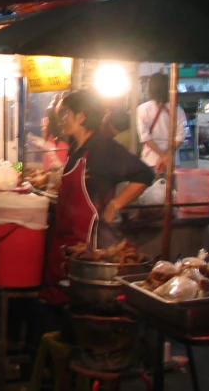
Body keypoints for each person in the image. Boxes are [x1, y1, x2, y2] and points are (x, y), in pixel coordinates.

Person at [41, 90, 154, 304]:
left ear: (81, 116)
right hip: (66, 240)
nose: (61, 119)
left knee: (77, 301)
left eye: (65, 113)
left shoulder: (104, 147)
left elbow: (145, 174)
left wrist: (115, 204)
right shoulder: (77, 147)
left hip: (89, 244)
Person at [136, 73, 187, 176]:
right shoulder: (178, 109)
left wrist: (162, 156)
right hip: (172, 161)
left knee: (151, 192)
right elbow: (181, 137)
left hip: (150, 160)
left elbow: (145, 137)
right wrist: (166, 157)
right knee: (171, 191)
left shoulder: (142, 109)